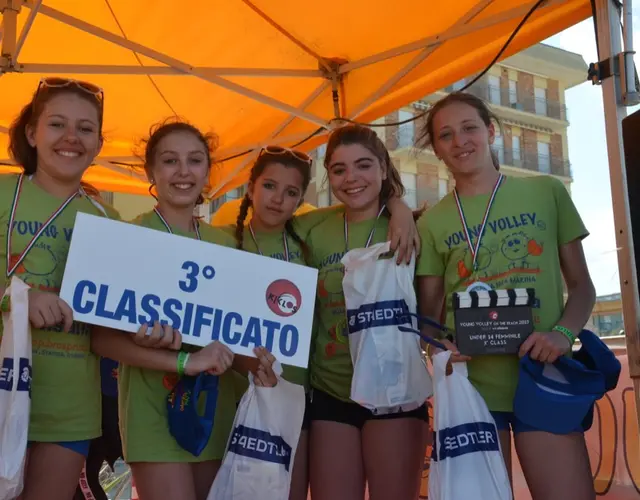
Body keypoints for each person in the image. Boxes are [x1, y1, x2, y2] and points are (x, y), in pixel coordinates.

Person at [415, 92, 596, 500]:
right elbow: (428, 321)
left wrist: (563, 334)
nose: (459, 141)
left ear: (491, 131)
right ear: (438, 150)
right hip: (472, 390)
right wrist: (437, 347)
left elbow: (582, 287)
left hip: (544, 376)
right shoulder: (432, 222)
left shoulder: (547, 192)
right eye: (445, 135)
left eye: (469, 128)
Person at [90, 119, 278, 500]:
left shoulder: (227, 246)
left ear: (208, 172)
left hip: (216, 411)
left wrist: (260, 365)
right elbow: (102, 340)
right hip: (150, 413)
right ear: (151, 172)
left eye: (194, 161)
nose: (183, 172)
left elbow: (235, 340)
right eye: (170, 161)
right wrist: (184, 362)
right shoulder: (128, 238)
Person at [0, 77, 119, 500]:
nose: (72, 138)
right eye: (57, 125)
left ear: (99, 144)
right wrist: (19, 299)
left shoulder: (110, 220)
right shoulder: (2, 193)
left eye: (86, 129)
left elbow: (117, 320)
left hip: (69, 408)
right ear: (32, 133)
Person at [306, 124, 429, 500]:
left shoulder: (415, 226)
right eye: (339, 169)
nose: (351, 178)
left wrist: (399, 207)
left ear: (383, 168)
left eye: (363, 166)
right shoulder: (310, 227)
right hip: (331, 392)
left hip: (397, 392)